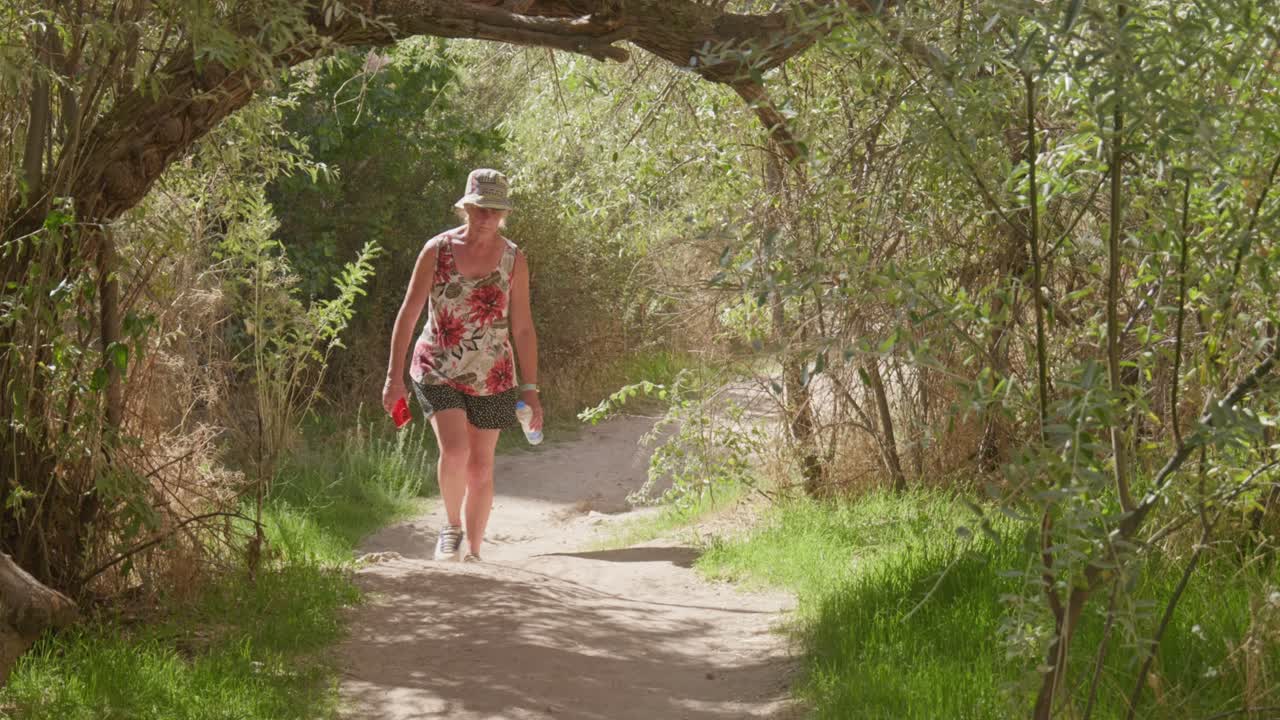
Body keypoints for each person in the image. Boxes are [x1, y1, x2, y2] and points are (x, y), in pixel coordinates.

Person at [382, 168, 543, 562]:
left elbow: (522, 326)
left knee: (480, 468)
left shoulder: (513, 258)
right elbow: (408, 313)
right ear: (466, 207)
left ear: (503, 213)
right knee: (455, 452)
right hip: (438, 365)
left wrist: (531, 390)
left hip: (494, 373)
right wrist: (393, 377)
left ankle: (473, 553)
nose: (486, 216)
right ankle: (451, 528)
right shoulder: (436, 250)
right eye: (479, 207)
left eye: (494, 209)